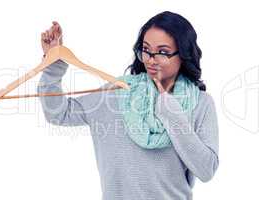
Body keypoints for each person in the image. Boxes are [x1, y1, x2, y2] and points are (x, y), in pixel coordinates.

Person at [38, 11, 219, 200]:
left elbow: (207, 170)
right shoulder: (118, 92)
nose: (150, 59)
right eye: (146, 49)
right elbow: (59, 113)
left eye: (163, 52)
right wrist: (53, 66)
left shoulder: (201, 103)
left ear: (183, 54)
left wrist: (173, 115)